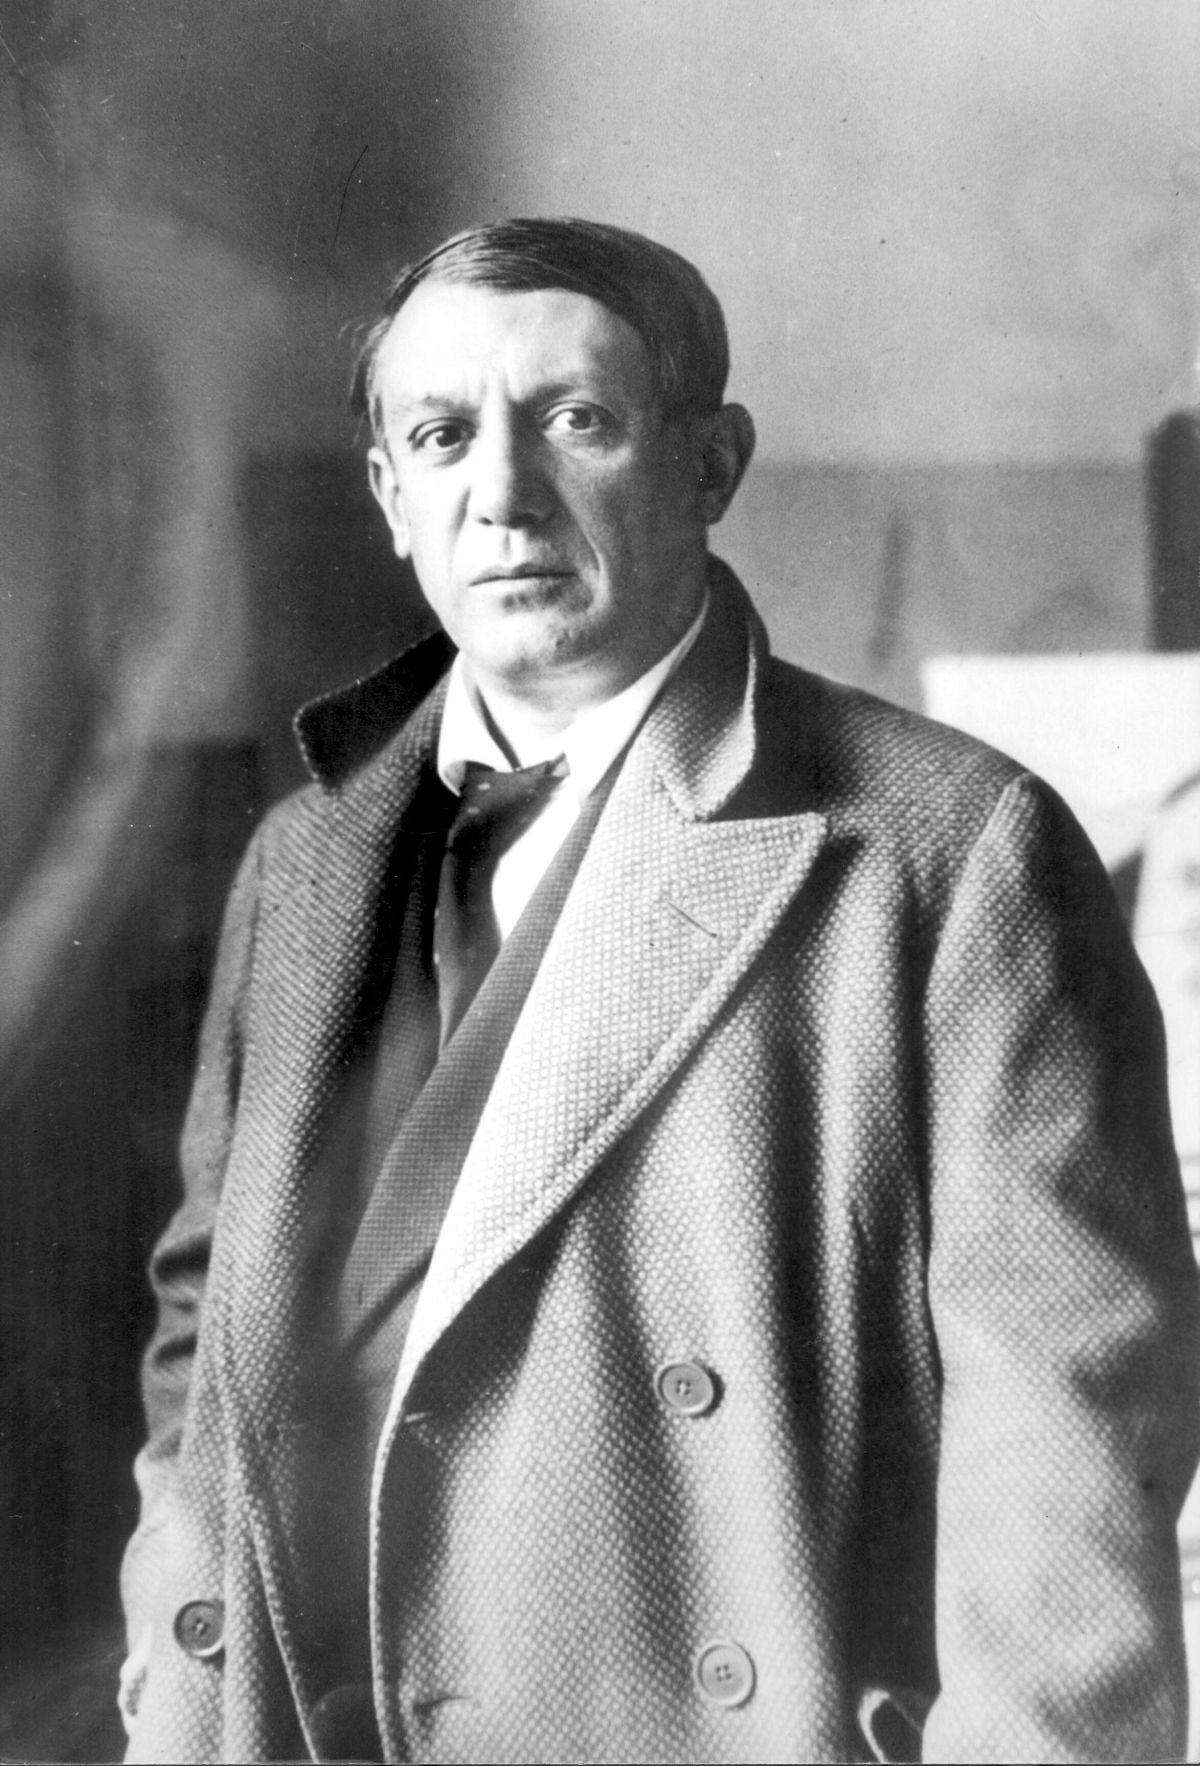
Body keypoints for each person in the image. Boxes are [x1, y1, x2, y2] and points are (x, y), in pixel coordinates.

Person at [119, 217, 1199, 1765]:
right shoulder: (303, 857)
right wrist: (170, 1677)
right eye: (443, 437)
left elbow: (1068, 1495)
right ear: (392, 497)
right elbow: (202, 1332)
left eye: (577, 420)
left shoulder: (949, 853)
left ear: (711, 464)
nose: (504, 494)